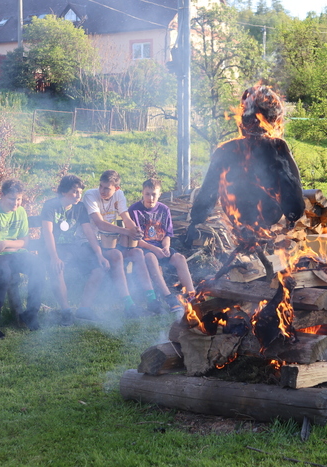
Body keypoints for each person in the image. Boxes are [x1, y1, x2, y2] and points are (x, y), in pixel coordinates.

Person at [186, 85, 305, 243]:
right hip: (264, 216)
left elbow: (208, 192)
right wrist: (292, 215)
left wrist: (196, 220)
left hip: (241, 217)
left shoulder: (226, 149)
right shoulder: (276, 147)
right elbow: (292, 191)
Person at [82, 170, 166, 315]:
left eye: (107, 188)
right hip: (91, 242)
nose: (102, 191)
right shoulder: (90, 195)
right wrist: (127, 232)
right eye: (100, 186)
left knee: (137, 252)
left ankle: (151, 300)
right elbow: (99, 223)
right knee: (117, 255)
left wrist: (135, 230)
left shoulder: (119, 195)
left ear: (117, 188)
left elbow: (126, 218)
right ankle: (129, 305)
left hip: (110, 241)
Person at [0, 179, 45, 339]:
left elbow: (24, 242)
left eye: (19, 199)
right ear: (2, 195)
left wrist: (5, 244)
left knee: (39, 267)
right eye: (12, 199)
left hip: (13, 252)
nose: (16, 203)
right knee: (3, 273)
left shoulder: (20, 211)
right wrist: (5, 246)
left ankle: (30, 314)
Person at [40, 175, 110, 325]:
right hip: (51, 248)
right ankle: (66, 312)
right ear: (63, 192)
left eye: (80, 192)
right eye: (74, 192)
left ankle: (84, 308)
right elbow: (48, 232)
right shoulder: (50, 206)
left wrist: (99, 254)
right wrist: (54, 257)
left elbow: (89, 232)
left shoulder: (80, 207)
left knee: (99, 268)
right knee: (58, 266)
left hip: (72, 248)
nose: (78, 195)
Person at [128, 179, 195, 314]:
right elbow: (136, 240)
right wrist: (154, 249)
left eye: (154, 194)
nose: (151, 198)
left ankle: (192, 296)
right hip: (144, 248)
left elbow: (167, 235)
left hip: (160, 246)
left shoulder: (164, 209)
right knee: (151, 258)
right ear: (142, 193)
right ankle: (168, 297)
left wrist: (166, 247)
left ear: (159, 194)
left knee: (180, 258)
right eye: (147, 194)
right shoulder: (134, 210)